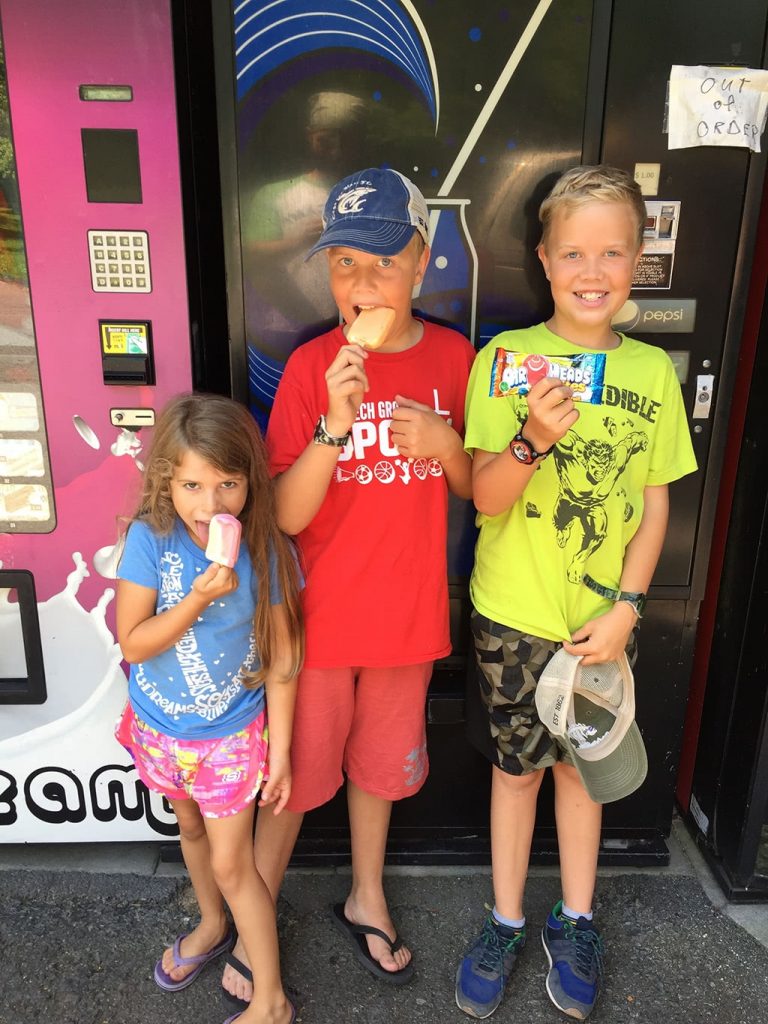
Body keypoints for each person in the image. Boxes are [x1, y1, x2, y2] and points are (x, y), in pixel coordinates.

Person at [222, 167, 475, 1005]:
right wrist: (334, 423)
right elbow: (287, 517)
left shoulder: (453, 358)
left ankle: (367, 891)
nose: (361, 284)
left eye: (382, 262)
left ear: (423, 260)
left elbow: (481, 485)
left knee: (378, 773)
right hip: (317, 626)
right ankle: (251, 915)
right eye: (343, 265)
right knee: (291, 777)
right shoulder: (309, 368)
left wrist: (444, 442)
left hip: (405, 620)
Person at [454, 165, 697, 1020]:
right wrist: (529, 440)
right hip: (514, 614)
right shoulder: (507, 360)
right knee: (519, 774)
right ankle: (505, 918)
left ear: (637, 260)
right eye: (574, 253)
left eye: (612, 252)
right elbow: (482, 496)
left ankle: (578, 918)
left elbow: (658, 500)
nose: (593, 271)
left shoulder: (653, 375)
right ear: (545, 262)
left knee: (583, 774)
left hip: (601, 619)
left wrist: (629, 606)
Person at [115, 393, 303, 1024]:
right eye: (192, 485)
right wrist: (195, 600)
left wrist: (280, 755)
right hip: (161, 727)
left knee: (233, 861)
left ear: (252, 479)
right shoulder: (150, 539)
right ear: (167, 482)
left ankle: (271, 999)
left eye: (228, 484)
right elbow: (133, 642)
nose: (211, 505)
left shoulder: (269, 550)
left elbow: (282, 657)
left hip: (230, 735)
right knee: (188, 829)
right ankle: (212, 923)